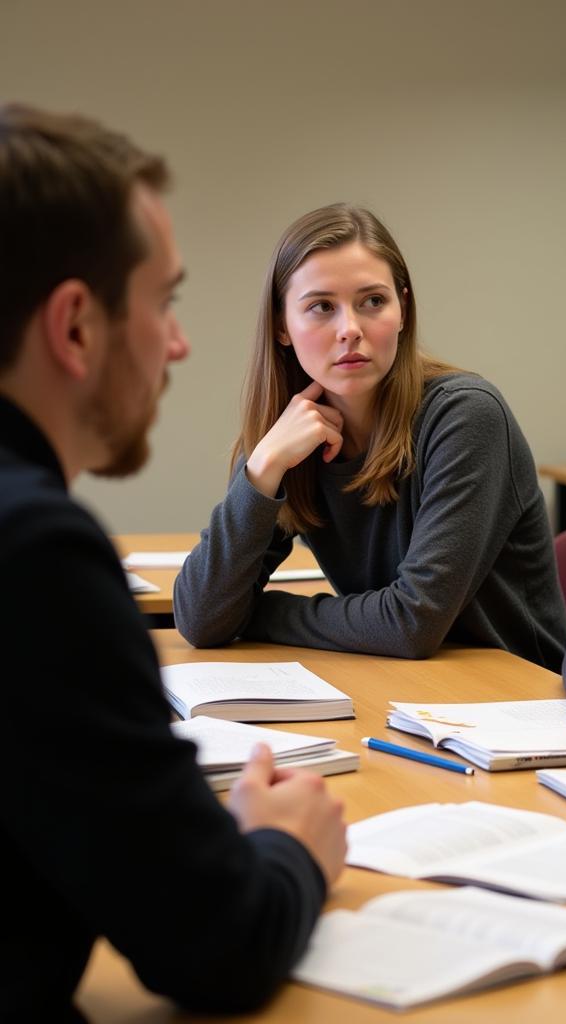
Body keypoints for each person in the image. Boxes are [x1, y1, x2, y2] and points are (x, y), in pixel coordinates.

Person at [0, 104, 347, 1020]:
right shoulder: (35, 553)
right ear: (75, 327)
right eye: (164, 302)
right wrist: (290, 848)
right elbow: (216, 943)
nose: (179, 344)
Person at [174, 203, 566, 668]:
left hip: (519, 709)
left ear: (403, 310)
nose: (350, 330)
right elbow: (201, 619)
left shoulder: (465, 416)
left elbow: (412, 623)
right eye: (322, 307)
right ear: (282, 325)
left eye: (373, 302)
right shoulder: (288, 438)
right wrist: (261, 470)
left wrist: (263, 614)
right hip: (404, 693)